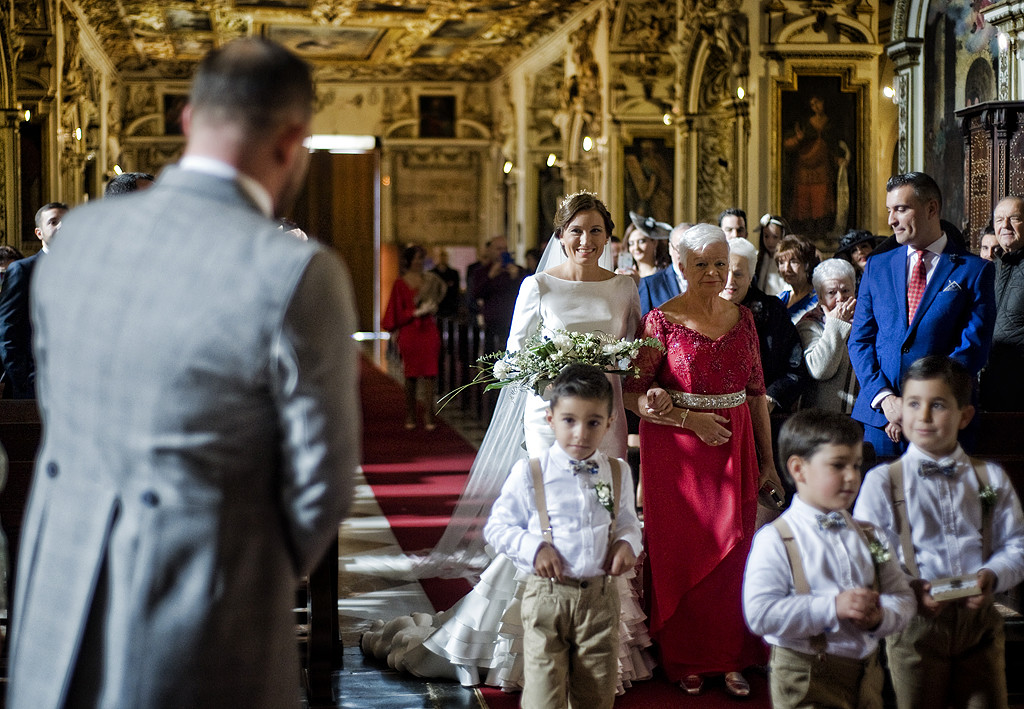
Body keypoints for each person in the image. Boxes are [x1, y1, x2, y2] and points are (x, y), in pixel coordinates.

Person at [5, 38, 361, 709]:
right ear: (293, 141)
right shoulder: (296, 270)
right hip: (204, 607)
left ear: (188, 121)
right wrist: (251, 570)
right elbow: (323, 480)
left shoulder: (78, 244)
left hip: (56, 596)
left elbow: (62, 406)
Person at [361, 191, 651, 693]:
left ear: (608, 237)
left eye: (597, 231)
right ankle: (526, 642)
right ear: (561, 236)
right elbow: (514, 359)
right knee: (552, 515)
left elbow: (633, 351)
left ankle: (600, 645)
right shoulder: (539, 285)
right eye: (577, 231)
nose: (586, 240)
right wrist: (554, 390)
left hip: (605, 418)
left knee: (600, 514)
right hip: (549, 418)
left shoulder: (625, 287)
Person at [625, 223, 783, 698]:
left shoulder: (745, 318)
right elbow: (633, 395)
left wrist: (768, 461)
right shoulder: (659, 321)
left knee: (735, 550)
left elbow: (756, 396)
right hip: (678, 455)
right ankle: (685, 656)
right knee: (684, 555)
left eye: (722, 264)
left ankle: (733, 655)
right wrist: (688, 421)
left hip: (735, 449)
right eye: (702, 265)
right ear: (680, 267)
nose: (714, 273)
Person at [853, 356, 1024, 709]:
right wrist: (906, 585)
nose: (924, 416)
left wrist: (993, 574)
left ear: (965, 415)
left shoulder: (989, 480)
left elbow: (1016, 544)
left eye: (939, 405)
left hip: (980, 625)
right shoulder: (883, 482)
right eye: (913, 404)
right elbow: (873, 550)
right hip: (915, 626)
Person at [484, 364, 642, 709]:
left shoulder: (616, 471)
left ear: (610, 423)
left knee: (596, 695)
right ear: (550, 419)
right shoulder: (530, 472)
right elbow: (497, 526)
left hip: (600, 600)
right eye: (569, 420)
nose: (580, 434)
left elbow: (628, 521)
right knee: (544, 697)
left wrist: (627, 542)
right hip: (548, 598)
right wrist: (533, 547)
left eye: (593, 422)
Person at [743, 410, 915, 709]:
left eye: (857, 466)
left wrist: (881, 616)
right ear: (799, 469)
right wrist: (832, 607)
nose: (851, 477)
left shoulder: (872, 537)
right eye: (838, 465)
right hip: (806, 676)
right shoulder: (776, 539)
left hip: (868, 674)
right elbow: (760, 613)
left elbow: (902, 596)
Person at [848, 172, 995, 457]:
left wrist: (918, 406)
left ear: (931, 208)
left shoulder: (973, 270)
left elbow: (972, 348)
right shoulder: (877, 266)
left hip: (942, 422)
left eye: (901, 209)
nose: (891, 220)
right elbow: (860, 341)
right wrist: (887, 399)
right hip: (881, 422)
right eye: (889, 210)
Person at [721, 237, 807, 414]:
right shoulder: (701, 310)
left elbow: (795, 368)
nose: (730, 281)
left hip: (761, 414)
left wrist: (770, 399)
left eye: (738, 274)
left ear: (751, 276)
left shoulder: (773, 310)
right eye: (725, 271)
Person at [0, 201, 68, 399]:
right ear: (39, 233)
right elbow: (7, 331)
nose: (61, 227)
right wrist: (25, 383)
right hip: (35, 385)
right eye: (53, 222)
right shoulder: (23, 270)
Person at [383, 244, 445, 430]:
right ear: (409, 260)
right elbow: (395, 312)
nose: (419, 261)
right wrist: (415, 312)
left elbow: (440, 297)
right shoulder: (400, 283)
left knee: (431, 373)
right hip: (410, 332)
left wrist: (431, 307)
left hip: (429, 331)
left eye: (421, 258)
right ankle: (410, 413)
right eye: (416, 258)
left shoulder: (430, 280)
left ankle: (429, 415)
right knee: (410, 375)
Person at [797, 258, 859, 414]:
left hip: (861, 416)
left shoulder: (866, 321)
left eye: (846, 291)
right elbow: (820, 370)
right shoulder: (809, 324)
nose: (840, 298)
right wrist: (835, 323)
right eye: (831, 292)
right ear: (819, 297)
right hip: (823, 419)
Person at [980, 195, 1024, 411]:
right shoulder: (990, 269)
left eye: (1014, 218)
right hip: (989, 387)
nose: (1005, 225)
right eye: (999, 220)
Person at [469, 235, 524, 356]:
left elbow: (526, 293)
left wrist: (515, 278)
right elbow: (475, 294)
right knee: (491, 357)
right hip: (492, 323)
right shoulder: (481, 272)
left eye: (505, 248)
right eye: (499, 249)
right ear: (490, 251)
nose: (502, 252)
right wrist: (490, 276)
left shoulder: (517, 270)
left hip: (512, 320)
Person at [638, 221, 689, 316]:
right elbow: (643, 326)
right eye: (679, 248)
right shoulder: (650, 284)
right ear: (670, 248)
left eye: (689, 248)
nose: (683, 254)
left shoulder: (708, 280)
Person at [775, 233, 820, 324]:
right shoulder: (781, 298)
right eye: (781, 262)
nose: (787, 269)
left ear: (807, 265)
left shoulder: (818, 300)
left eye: (794, 262)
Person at [626, 212, 671, 278]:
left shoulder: (665, 274)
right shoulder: (627, 275)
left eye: (641, 242)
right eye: (631, 243)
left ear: (654, 242)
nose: (636, 247)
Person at [754, 213, 789, 296]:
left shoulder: (787, 260)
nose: (770, 242)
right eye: (766, 236)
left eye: (775, 237)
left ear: (782, 236)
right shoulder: (758, 258)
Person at [430, 248, 461, 318]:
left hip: (450, 307)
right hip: (436, 307)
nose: (442, 258)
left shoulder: (454, 273)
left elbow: (456, 291)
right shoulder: (431, 274)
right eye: (440, 256)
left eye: (444, 256)